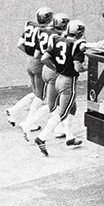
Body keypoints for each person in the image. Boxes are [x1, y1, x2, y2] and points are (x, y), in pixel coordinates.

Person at [34, 20, 87, 156]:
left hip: (58, 78)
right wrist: (87, 67)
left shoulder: (57, 39)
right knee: (62, 111)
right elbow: (77, 68)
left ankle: (70, 138)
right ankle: (42, 137)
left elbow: (44, 58)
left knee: (71, 107)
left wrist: (56, 68)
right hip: (68, 81)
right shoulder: (77, 45)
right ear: (80, 32)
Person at [19, 13, 69, 141]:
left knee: (56, 102)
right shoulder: (60, 37)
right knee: (53, 104)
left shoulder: (43, 32)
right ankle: (28, 123)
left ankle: (59, 130)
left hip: (45, 68)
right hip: (54, 69)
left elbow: (37, 54)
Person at [6, 7, 54, 128]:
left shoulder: (30, 25)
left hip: (31, 61)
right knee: (40, 96)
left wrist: (32, 56)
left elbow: (19, 45)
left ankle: (14, 110)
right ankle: (29, 123)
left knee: (36, 92)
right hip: (40, 63)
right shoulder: (47, 31)